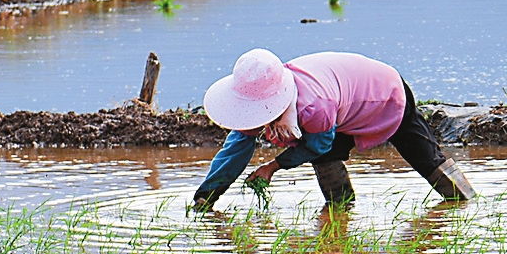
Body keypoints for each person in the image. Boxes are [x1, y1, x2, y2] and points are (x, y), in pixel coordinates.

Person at [191, 48, 474, 209]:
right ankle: (340, 209)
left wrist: (272, 167)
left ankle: (467, 204)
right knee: (324, 156)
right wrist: (207, 196)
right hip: (342, 102)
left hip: (383, 93)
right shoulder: (261, 99)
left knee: (424, 157)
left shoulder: (313, 107)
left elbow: (318, 144)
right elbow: (236, 147)